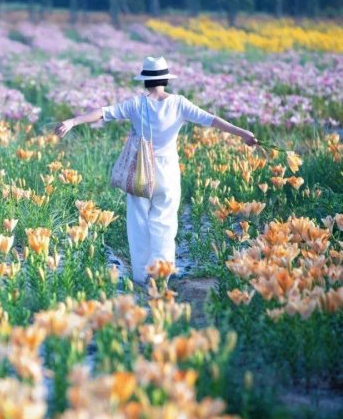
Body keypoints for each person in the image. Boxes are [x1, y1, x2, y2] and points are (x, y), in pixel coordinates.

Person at [54, 56, 259, 287]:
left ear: (145, 80)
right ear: (166, 79)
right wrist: (243, 134)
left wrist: (72, 122)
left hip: (140, 170)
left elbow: (103, 112)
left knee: (139, 222)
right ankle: (161, 273)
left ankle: (142, 276)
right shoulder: (179, 103)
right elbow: (211, 120)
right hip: (167, 170)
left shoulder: (135, 104)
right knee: (165, 222)